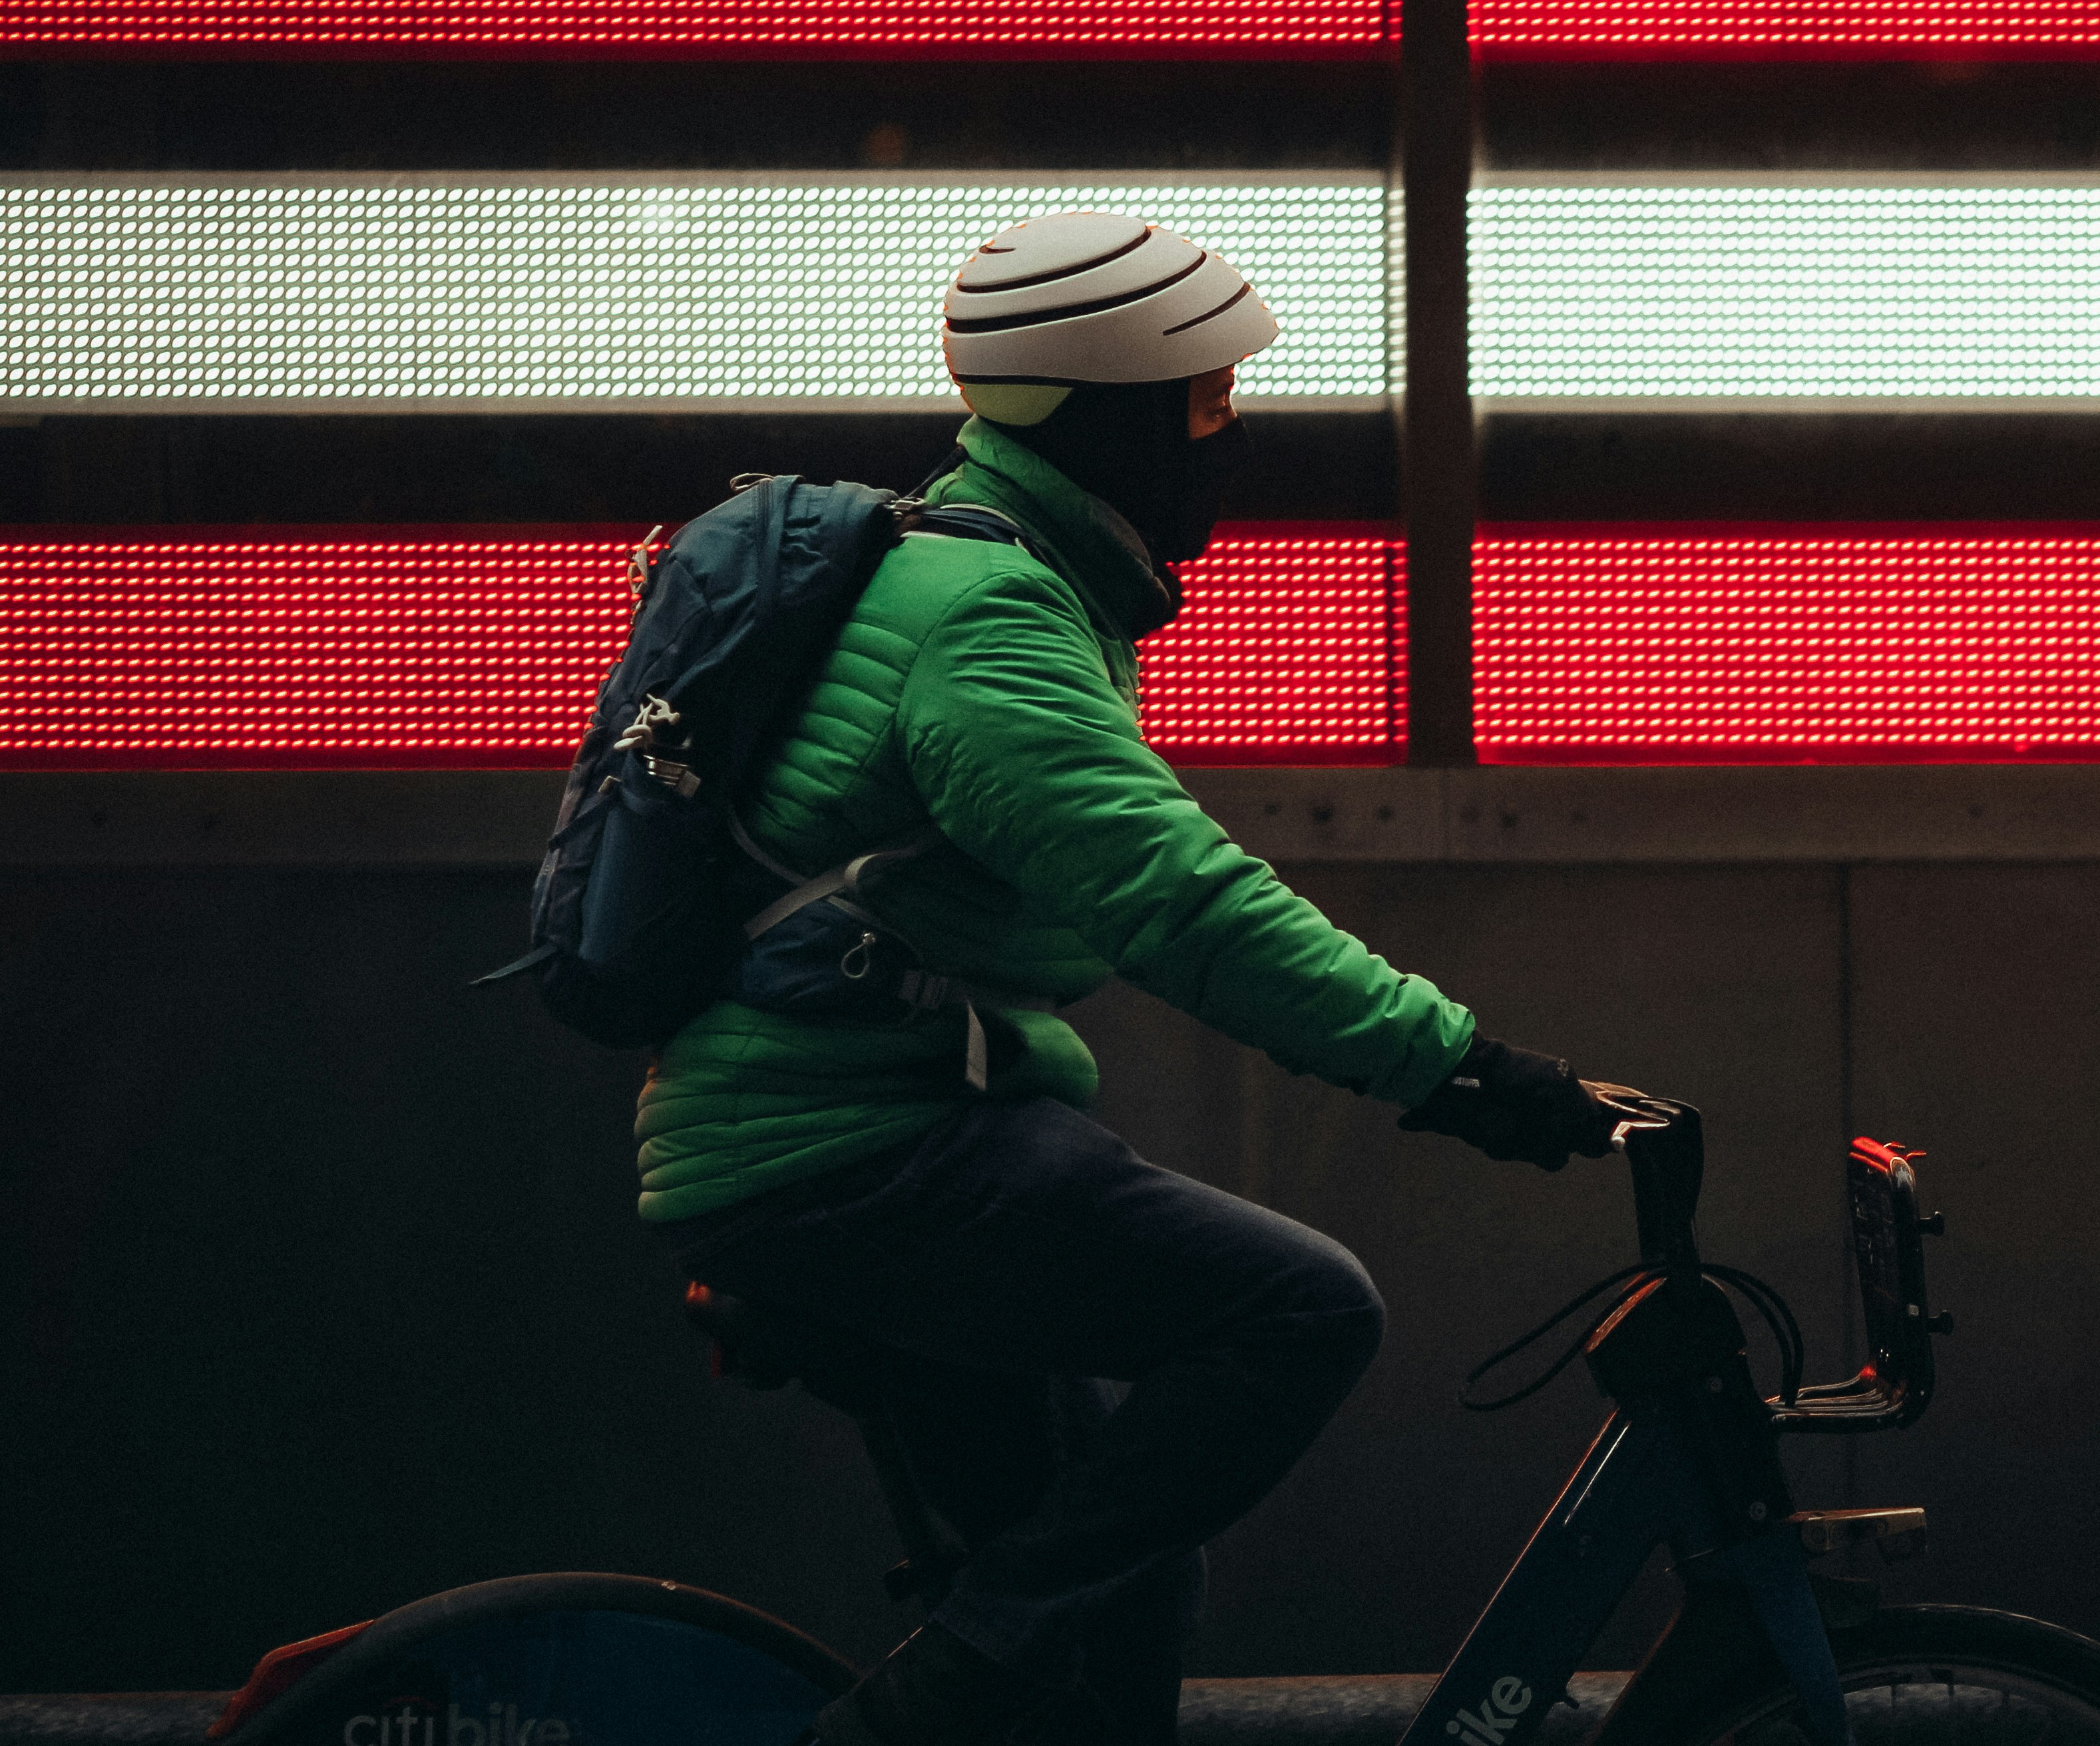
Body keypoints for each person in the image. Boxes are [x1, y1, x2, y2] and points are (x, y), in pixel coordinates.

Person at [640, 214, 1629, 1746]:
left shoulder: (986, 576)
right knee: (1301, 1311)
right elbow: (1180, 899)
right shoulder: (986, 619)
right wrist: (1461, 1071)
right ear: (1103, 416)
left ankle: (980, 1683)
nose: (1232, 438)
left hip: (855, 1128)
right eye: (1206, 403)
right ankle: (936, 1697)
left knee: (1125, 1593)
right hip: (846, 1147)